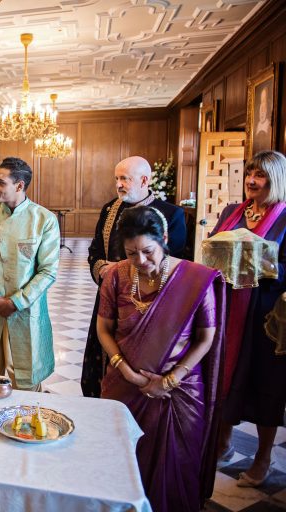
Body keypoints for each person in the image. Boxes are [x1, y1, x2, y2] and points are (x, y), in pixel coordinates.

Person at [97, 206, 224, 512]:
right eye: (131, 253)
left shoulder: (194, 279)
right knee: (122, 460)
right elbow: (104, 329)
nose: (140, 261)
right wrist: (129, 374)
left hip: (179, 391)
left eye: (147, 251)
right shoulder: (115, 276)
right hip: (124, 385)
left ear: (164, 239)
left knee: (176, 464)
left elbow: (205, 339)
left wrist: (169, 380)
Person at [81, 155, 186, 397]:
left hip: (150, 303)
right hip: (110, 296)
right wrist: (102, 269)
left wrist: (124, 270)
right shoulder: (109, 209)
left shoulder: (170, 214)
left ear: (144, 180)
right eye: (117, 178)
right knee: (102, 364)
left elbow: (177, 260)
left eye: (125, 179)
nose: (119, 184)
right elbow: (95, 251)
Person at [213, 150, 286, 487]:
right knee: (226, 375)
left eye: (262, 177)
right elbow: (214, 246)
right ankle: (224, 442)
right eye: (250, 174)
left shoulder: (284, 219)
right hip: (229, 306)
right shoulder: (233, 212)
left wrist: (261, 259)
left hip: (266, 315)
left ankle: (263, 458)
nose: (252, 181)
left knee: (264, 385)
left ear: (277, 181)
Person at [0, 157, 60, 390]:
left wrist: (16, 302)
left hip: (26, 311)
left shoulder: (44, 220)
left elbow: (48, 270)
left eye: (0, 182)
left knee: (25, 382)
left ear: (19, 186)